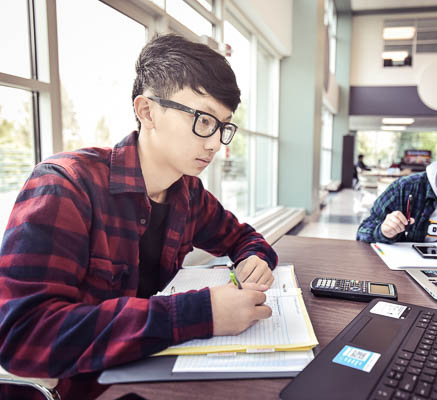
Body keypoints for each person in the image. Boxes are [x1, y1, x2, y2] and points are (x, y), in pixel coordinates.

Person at [0, 34, 277, 399]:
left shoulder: (188, 192)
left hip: (151, 372)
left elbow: (243, 237)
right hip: (86, 388)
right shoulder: (66, 185)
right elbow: (24, 336)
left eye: (223, 126)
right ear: (147, 111)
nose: (214, 143)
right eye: (204, 121)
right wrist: (196, 312)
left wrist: (253, 257)